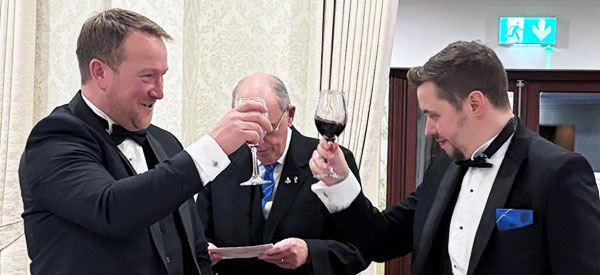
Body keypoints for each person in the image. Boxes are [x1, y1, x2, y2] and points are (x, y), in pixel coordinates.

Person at [309, 41, 600, 275]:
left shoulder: (559, 172)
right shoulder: (444, 165)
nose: (429, 131)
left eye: (434, 116)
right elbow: (382, 239)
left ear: (474, 103)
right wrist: (340, 183)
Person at [19, 9, 271, 275]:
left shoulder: (166, 142)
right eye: (147, 76)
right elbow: (111, 209)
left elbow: (195, 250)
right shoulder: (54, 137)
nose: (160, 92)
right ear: (100, 72)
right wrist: (213, 147)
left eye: (163, 75)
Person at [195, 73, 369, 275]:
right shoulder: (222, 164)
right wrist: (203, 251)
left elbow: (360, 249)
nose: (258, 141)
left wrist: (309, 253)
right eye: (248, 129)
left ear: (290, 115)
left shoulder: (328, 162)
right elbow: (197, 238)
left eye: (268, 130)